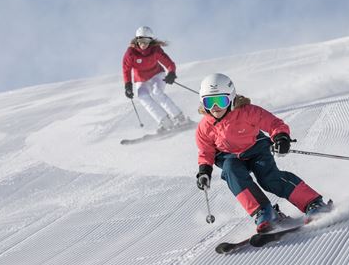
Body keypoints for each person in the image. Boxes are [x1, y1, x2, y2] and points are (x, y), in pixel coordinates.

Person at [195, 73, 332, 233]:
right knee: (231, 172)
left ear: (231, 99)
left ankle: (312, 203)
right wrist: (204, 171)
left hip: (256, 149)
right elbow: (205, 151)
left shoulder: (247, 112)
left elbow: (273, 123)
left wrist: (281, 138)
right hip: (231, 157)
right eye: (209, 102)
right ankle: (265, 212)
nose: (215, 108)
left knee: (269, 178)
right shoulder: (204, 127)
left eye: (221, 101)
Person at [122, 26, 187, 132]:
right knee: (142, 96)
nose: (143, 44)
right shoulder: (130, 53)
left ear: (151, 41)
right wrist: (128, 86)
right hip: (141, 79)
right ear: (137, 39)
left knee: (157, 92)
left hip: (157, 74)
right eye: (141, 40)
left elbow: (169, 63)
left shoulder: (155, 50)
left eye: (147, 41)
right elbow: (126, 69)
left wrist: (171, 73)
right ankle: (165, 121)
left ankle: (179, 117)